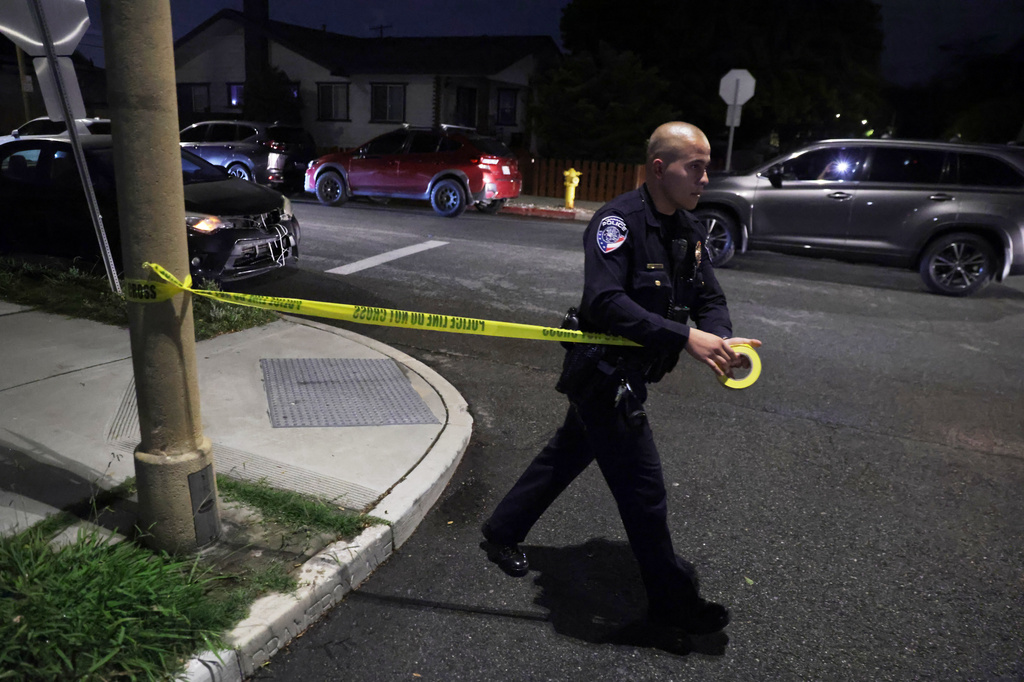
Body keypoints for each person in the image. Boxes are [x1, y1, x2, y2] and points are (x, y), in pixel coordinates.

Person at [480, 121, 762, 635]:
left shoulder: (687, 228)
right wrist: (683, 337)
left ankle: (501, 531)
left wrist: (722, 338)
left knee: (567, 452)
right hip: (604, 376)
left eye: (707, 168)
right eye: (694, 167)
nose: (705, 178)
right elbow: (604, 302)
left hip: (635, 372)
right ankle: (672, 610)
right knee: (644, 492)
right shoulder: (617, 222)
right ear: (660, 169)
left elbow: (709, 298)